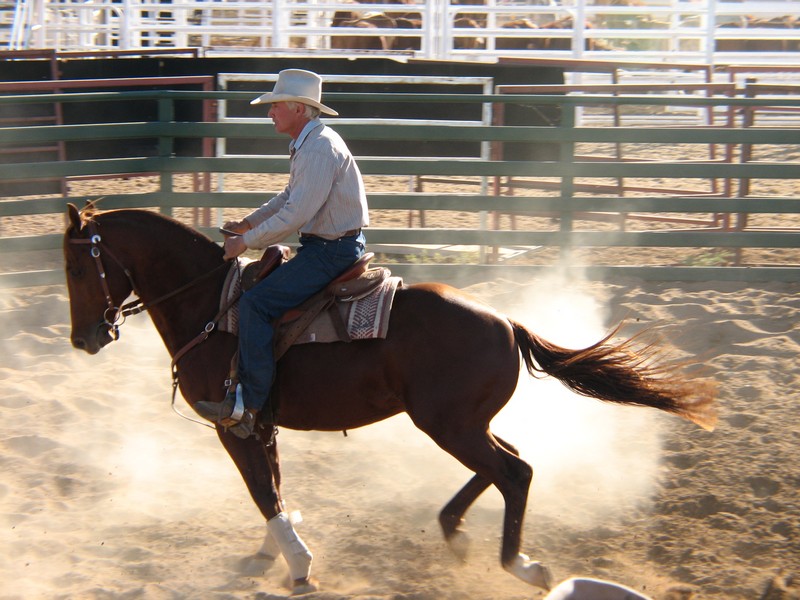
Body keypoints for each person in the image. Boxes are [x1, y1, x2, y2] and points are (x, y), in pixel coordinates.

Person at [194, 68, 369, 439]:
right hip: (329, 245)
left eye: (276, 106)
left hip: (330, 251)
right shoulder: (312, 142)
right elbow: (289, 197)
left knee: (256, 304)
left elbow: (296, 213)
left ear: (298, 109)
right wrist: (248, 223)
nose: (270, 112)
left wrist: (246, 241)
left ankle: (249, 406)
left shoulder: (318, 149)